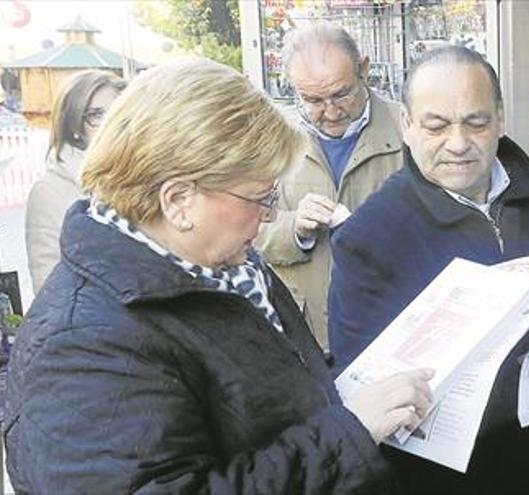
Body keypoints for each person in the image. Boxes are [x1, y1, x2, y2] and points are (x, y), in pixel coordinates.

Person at [4, 57, 433, 494]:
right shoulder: (84, 346)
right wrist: (349, 435)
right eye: (259, 197)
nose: (268, 217)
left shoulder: (221, 266)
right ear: (178, 201)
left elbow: (267, 396)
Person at [329, 46, 529, 494]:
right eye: (436, 126)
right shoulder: (369, 238)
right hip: (465, 480)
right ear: (406, 126)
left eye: (476, 122)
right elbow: (368, 398)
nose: (457, 143)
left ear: (501, 120)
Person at [256, 23, 404, 350]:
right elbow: (246, 230)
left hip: (390, 327)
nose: (331, 112)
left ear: (364, 69)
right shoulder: (271, 139)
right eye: (312, 100)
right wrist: (294, 228)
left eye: (341, 94)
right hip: (302, 333)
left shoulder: (409, 129)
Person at [25, 70, 126, 293]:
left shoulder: (147, 174)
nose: (110, 123)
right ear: (74, 126)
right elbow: (48, 284)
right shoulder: (50, 191)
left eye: (118, 112)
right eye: (96, 115)